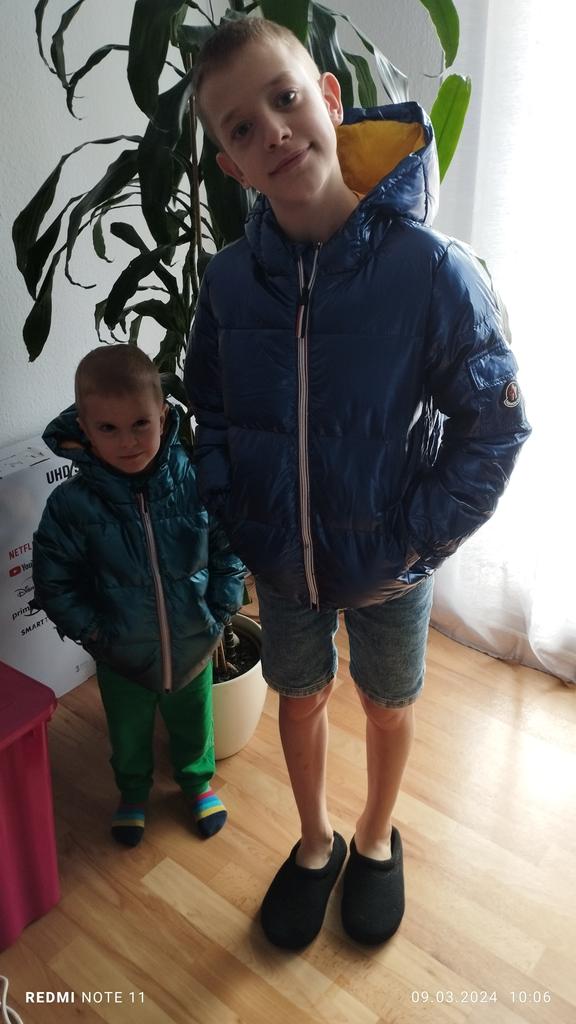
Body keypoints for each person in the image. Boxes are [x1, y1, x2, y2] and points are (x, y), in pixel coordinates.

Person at [184, 18, 531, 948]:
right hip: (281, 563)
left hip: (392, 562)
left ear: (330, 98)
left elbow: (495, 426)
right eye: (241, 128)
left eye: (285, 98)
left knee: (387, 702)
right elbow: (207, 407)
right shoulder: (229, 284)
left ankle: (376, 836)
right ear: (232, 164)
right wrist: (238, 511)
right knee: (300, 697)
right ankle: (314, 841)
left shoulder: (431, 270)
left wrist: (414, 540)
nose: (272, 130)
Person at [33, 345, 245, 847]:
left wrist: (219, 609)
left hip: (194, 640)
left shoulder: (194, 482)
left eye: (140, 424)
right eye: (108, 428)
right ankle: (132, 792)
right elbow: (54, 580)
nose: (127, 442)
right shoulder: (71, 506)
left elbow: (228, 546)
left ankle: (196, 783)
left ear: (163, 417)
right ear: (85, 428)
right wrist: (95, 632)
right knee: (127, 731)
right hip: (120, 652)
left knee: (194, 722)